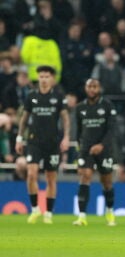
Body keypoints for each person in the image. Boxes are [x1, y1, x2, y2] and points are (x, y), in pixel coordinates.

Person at [15, 65, 70, 224]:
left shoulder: (58, 96)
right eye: (41, 76)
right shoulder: (31, 96)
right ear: (38, 78)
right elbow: (24, 119)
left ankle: (48, 212)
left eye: (47, 76)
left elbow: (65, 118)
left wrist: (66, 137)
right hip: (34, 141)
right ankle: (34, 209)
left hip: (52, 143)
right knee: (31, 174)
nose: (44, 79)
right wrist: (19, 138)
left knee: (50, 178)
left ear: (52, 79)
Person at [73, 78, 117, 226]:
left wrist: (101, 145)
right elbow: (79, 132)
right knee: (85, 176)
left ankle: (110, 212)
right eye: (89, 86)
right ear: (86, 89)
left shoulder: (107, 105)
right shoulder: (80, 108)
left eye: (95, 86)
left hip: (104, 149)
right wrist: (81, 150)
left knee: (106, 181)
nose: (92, 89)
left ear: (99, 88)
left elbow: (112, 130)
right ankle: (82, 217)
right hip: (86, 149)